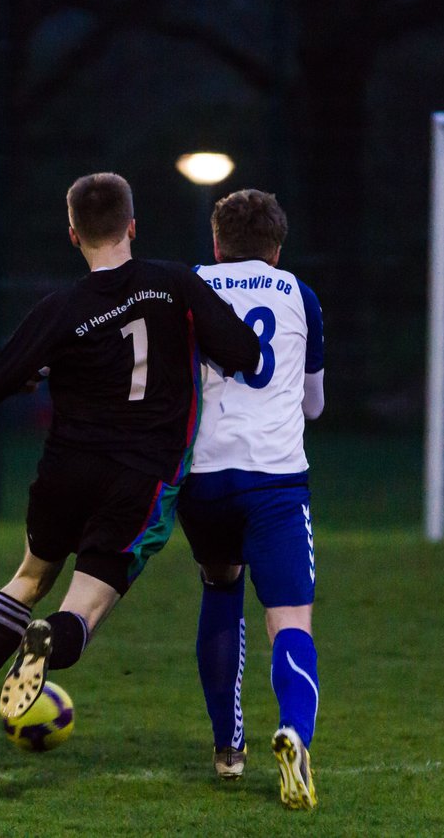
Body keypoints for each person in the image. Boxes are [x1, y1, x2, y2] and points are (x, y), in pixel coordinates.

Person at [0, 172, 260, 765]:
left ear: (72, 235)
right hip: (137, 478)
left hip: (65, 473)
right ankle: (48, 639)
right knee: (80, 608)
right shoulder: (174, 284)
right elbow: (245, 353)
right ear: (132, 226)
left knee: (29, 578)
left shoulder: (59, 311)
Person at [175, 189, 325, 810]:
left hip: (204, 477)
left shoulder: (187, 289)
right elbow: (314, 404)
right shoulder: (301, 297)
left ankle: (227, 749)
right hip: (274, 480)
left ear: (216, 244)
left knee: (219, 585)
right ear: (277, 249)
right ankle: (294, 734)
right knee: (289, 621)